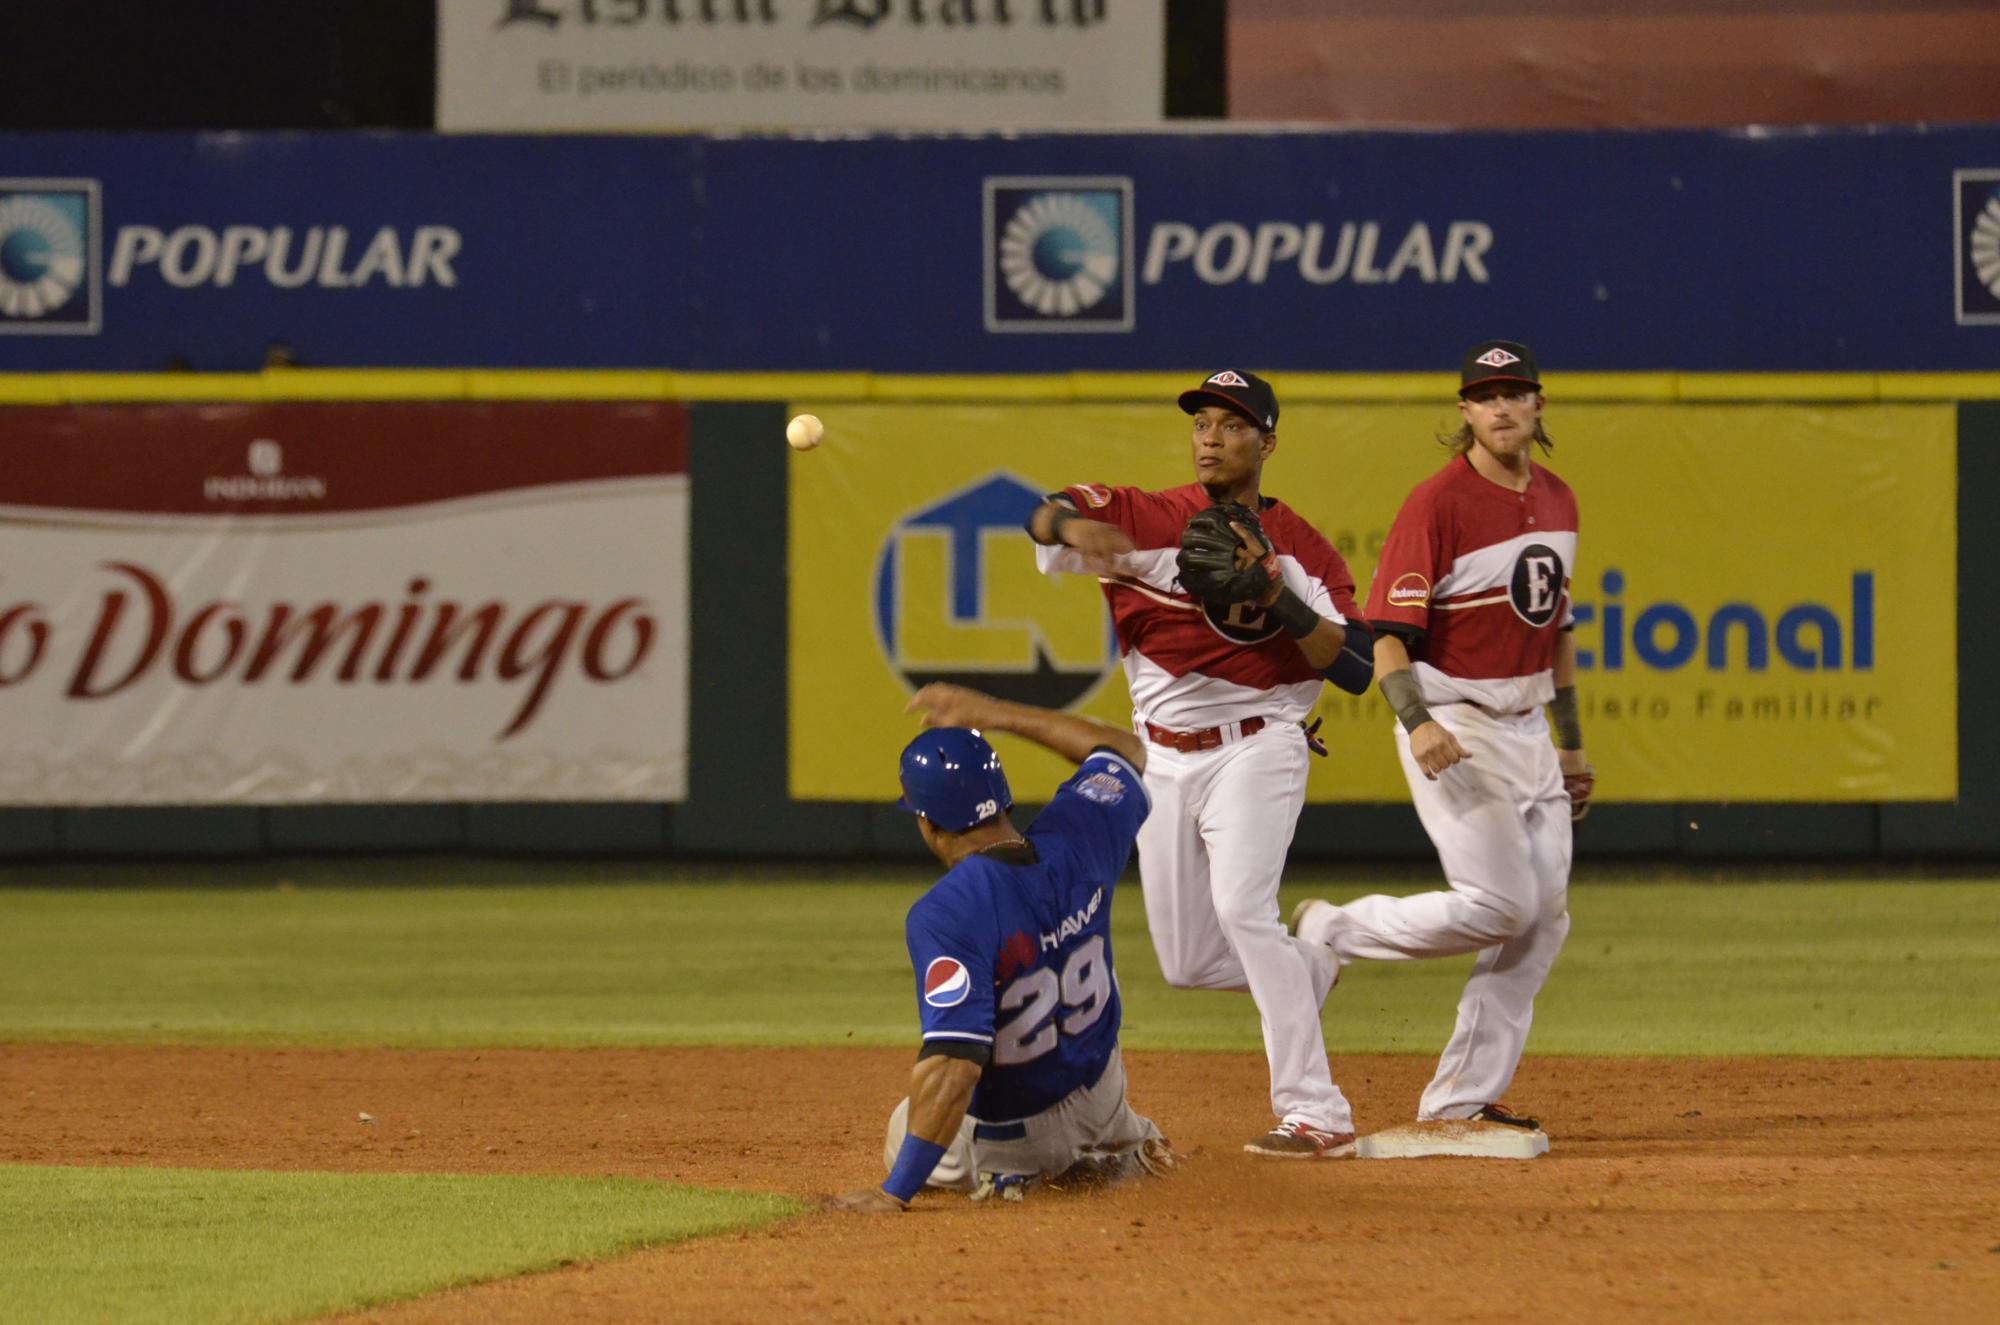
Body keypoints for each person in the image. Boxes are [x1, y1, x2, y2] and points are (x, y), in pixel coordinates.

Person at [1024, 370, 1375, 1159]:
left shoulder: (1305, 550)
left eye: (1232, 424)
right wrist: (1067, 528)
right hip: (1163, 764)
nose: (1211, 437)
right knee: (1186, 961)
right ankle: (1311, 967)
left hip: (1260, 744)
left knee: (1247, 911)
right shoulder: (1151, 518)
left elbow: (1353, 666)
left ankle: (1319, 1111)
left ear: (1268, 443)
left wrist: (1278, 593)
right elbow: (1042, 510)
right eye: (1203, 423)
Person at [1292, 339, 1594, 1134]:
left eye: (1515, 392)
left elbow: (1556, 630)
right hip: (1454, 722)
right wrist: (1416, 719)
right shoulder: (1439, 503)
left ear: (1538, 403)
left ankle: (1458, 1100)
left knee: (1543, 919)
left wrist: (1570, 743)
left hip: (1531, 730)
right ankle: (1334, 930)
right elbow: (1386, 633)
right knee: (1502, 903)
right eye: (1484, 395)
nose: (1501, 406)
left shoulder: (1560, 499)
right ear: (1464, 411)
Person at [827, 682, 1172, 1212]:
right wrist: (995, 713)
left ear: (929, 823)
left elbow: (956, 1064)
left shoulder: (946, 911)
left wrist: (892, 1193)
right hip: (1104, 1095)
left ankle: (1019, 1174)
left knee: (905, 1125)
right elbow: (1127, 749)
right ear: (1002, 798)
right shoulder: (1084, 828)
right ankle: (1119, 1146)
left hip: (1018, 1133)